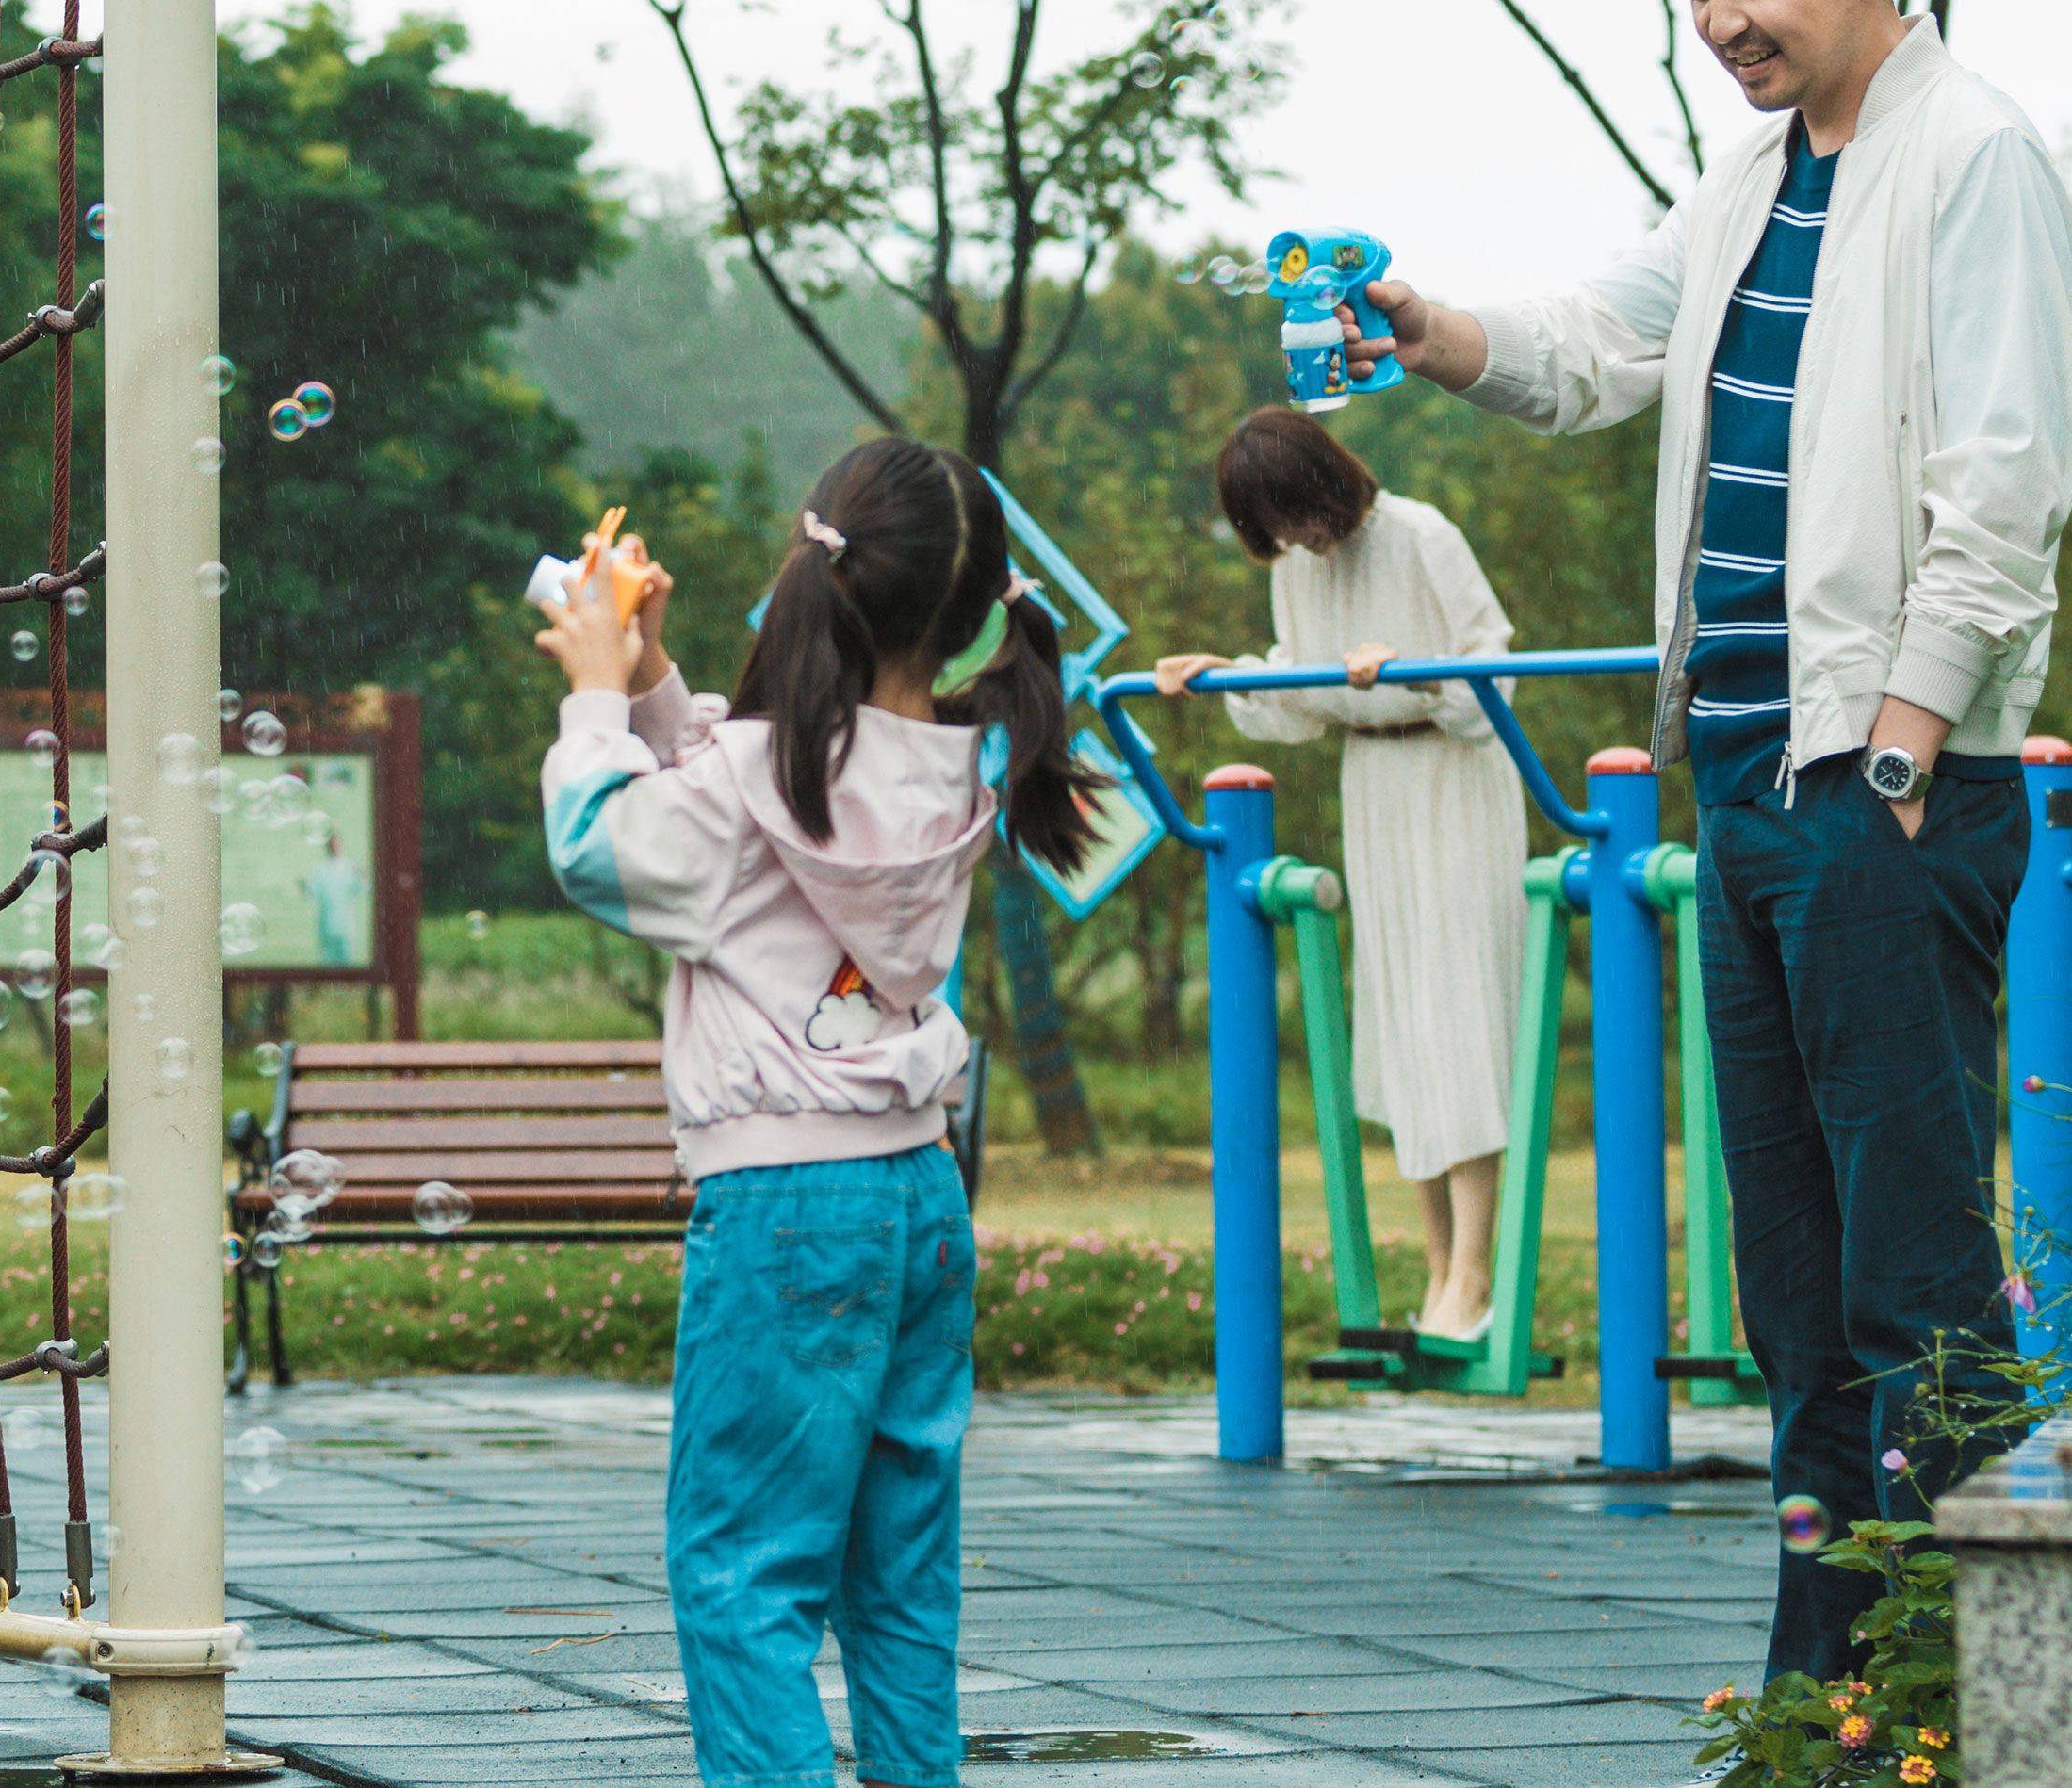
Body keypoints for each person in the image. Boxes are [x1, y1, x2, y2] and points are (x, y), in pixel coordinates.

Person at [1346, 0, 2072, 1682]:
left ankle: (1949, 1704)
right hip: (1749, 788)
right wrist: (1430, 331)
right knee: (1799, 1304)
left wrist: (1905, 755)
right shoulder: (1749, 177)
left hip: (1878, 792)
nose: (1722, 21)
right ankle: (1819, 1716)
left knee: (1919, 1301)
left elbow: (2006, 485)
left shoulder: (1973, 157)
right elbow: (1602, 343)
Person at [534, 437, 1101, 1788]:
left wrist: (598, 697)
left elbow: (600, 845)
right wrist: (662, 683)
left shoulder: (757, 784)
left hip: (789, 1209)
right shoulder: (957, 760)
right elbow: (749, 800)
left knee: (741, 1579)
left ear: (816, 570)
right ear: (964, 617)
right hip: (916, 1198)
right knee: (898, 1588)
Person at [1150, 404, 1526, 1341]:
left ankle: (1476, 1274)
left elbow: (1495, 680)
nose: (1297, 538)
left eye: (1299, 514)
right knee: (1399, 1017)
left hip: (1453, 776)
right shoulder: (1295, 568)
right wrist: (1230, 676)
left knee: (1460, 1015)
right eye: (1273, 527)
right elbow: (1302, 698)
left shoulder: (1420, 534)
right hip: (1377, 790)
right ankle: (1437, 1266)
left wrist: (1416, 672)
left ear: (1327, 481)